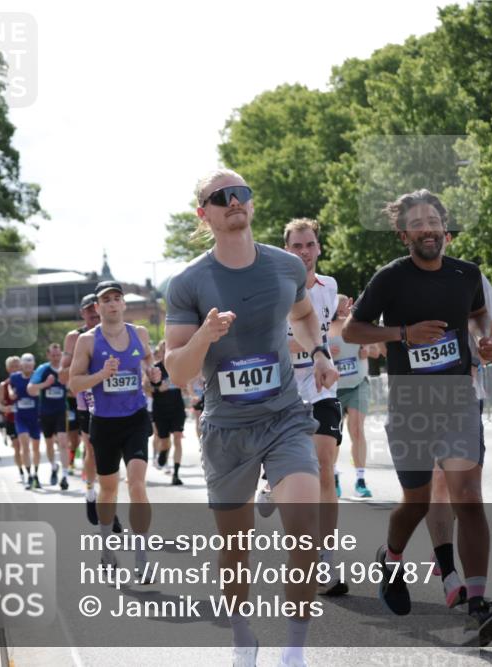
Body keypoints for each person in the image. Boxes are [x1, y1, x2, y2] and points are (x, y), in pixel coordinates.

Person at [164, 169, 337, 667]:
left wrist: (320, 352)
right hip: (226, 429)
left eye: (241, 193)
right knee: (235, 549)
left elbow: (304, 316)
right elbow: (178, 370)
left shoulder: (285, 266)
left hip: (285, 416)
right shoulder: (189, 283)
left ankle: (295, 650)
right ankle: (243, 637)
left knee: (304, 525)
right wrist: (205, 336)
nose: (235, 201)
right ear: (205, 213)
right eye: (222, 197)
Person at [342, 188, 492, 646]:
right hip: (411, 403)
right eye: (416, 223)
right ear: (403, 234)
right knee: (415, 501)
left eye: (433, 221)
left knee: (468, 498)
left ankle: (477, 604)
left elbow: (479, 317)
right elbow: (352, 330)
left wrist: (486, 342)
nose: (427, 229)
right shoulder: (391, 279)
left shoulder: (467, 274)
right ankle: (391, 556)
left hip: (458, 398)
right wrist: (402, 333)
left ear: (444, 228)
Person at [426, 263, 492, 608]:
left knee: (467, 490)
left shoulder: (472, 279)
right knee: (440, 480)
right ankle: (449, 575)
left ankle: (464, 579)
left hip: (467, 393)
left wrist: (489, 349)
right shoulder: (400, 280)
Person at [68, 281, 160, 578]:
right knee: (108, 491)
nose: (112, 303)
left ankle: (142, 558)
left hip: (135, 417)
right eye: (105, 300)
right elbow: (74, 383)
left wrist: (152, 371)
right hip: (104, 421)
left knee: (137, 484)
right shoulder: (89, 341)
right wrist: (101, 374)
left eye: (116, 298)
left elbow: (147, 358)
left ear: (123, 304)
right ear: (97, 307)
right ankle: (107, 548)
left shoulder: (139, 333)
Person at [280, 217, 348, 597]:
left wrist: (333, 335)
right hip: (283, 390)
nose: (304, 253)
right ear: (286, 251)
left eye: (309, 245)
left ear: (318, 248)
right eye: (296, 247)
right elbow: (273, 342)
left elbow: (328, 329)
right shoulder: (276, 289)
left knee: (326, 468)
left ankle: (326, 560)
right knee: (292, 480)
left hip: (321, 387)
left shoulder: (330, 287)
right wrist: (314, 348)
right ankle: (267, 482)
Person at [60, 294, 108, 523]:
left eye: (95, 309)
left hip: (114, 399)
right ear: (82, 314)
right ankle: (90, 493)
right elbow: (63, 374)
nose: (93, 314)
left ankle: (107, 501)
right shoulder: (74, 337)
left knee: (110, 452)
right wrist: (82, 372)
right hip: (86, 400)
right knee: (91, 447)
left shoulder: (115, 331)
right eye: (88, 311)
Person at [326, 295, 380, 498]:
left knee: (357, 429)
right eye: (338, 309)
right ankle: (334, 476)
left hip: (357, 385)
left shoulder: (357, 327)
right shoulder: (324, 329)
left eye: (344, 309)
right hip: (333, 390)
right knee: (334, 439)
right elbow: (310, 352)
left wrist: (367, 348)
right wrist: (326, 351)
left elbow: (377, 351)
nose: (342, 312)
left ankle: (360, 479)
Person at [28, 343, 70, 490]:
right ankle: (54, 466)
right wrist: (45, 384)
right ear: (48, 355)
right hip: (45, 412)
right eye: (53, 355)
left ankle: (64, 476)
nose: (56, 358)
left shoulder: (65, 370)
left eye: (58, 355)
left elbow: (73, 387)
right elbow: (31, 389)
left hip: (61, 411)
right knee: (49, 444)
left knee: (64, 442)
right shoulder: (42, 369)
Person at [147, 341, 186, 485]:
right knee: (164, 441)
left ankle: (176, 474)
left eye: (169, 350)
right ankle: (163, 452)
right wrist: (157, 389)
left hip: (177, 408)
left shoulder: (178, 367)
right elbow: (145, 388)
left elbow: (186, 385)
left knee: (177, 438)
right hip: (160, 409)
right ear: (160, 352)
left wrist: (186, 387)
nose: (166, 353)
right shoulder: (154, 368)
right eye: (163, 350)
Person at [8, 353, 41, 489]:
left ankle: (36, 474)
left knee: (36, 448)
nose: (27, 366)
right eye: (25, 364)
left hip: (35, 418)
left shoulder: (38, 376)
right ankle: (29, 476)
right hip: (20, 417)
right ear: (21, 365)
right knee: (25, 445)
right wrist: (11, 393)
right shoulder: (15, 377)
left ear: (33, 364)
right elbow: (10, 386)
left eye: (30, 363)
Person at [0, 356, 23, 480]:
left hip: (26, 418)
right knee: (17, 446)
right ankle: (21, 471)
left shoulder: (28, 381)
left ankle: (29, 469)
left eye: (17, 365)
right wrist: (5, 408)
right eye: (12, 366)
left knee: (26, 445)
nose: (15, 368)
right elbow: (0, 404)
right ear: (8, 368)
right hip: (12, 420)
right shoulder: (4, 385)